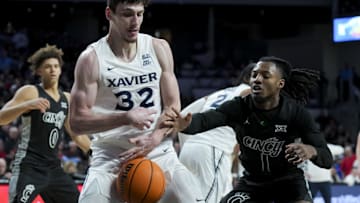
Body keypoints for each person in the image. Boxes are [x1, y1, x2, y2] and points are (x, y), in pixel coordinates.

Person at [69, 0, 201, 202]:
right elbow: (77, 122)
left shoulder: (159, 48)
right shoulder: (91, 59)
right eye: (127, 14)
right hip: (111, 157)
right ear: (109, 14)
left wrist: (155, 137)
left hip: (159, 151)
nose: (135, 22)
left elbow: (172, 105)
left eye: (139, 14)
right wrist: (125, 117)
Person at [165, 56, 333, 203]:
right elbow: (210, 122)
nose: (258, 80)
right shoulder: (243, 102)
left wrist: (310, 150)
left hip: (287, 181)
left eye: (265, 76)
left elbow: (326, 159)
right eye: (255, 75)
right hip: (235, 168)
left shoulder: (295, 114)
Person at [0, 44, 91, 203]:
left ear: (61, 69)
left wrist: (93, 152)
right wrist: (26, 105)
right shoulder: (30, 92)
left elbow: (76, 135)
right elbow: (1, 118)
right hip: (29, 167)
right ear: (39, 71)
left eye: (56, 66)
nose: (53, 70)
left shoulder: (67, 99)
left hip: (54, 168)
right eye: (48, 67)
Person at [177, 62, 254, 203]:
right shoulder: (250, 93)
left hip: (191, 149)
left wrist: (187, 145)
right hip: (212, 151)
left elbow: (183, 115)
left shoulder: (220, 93)